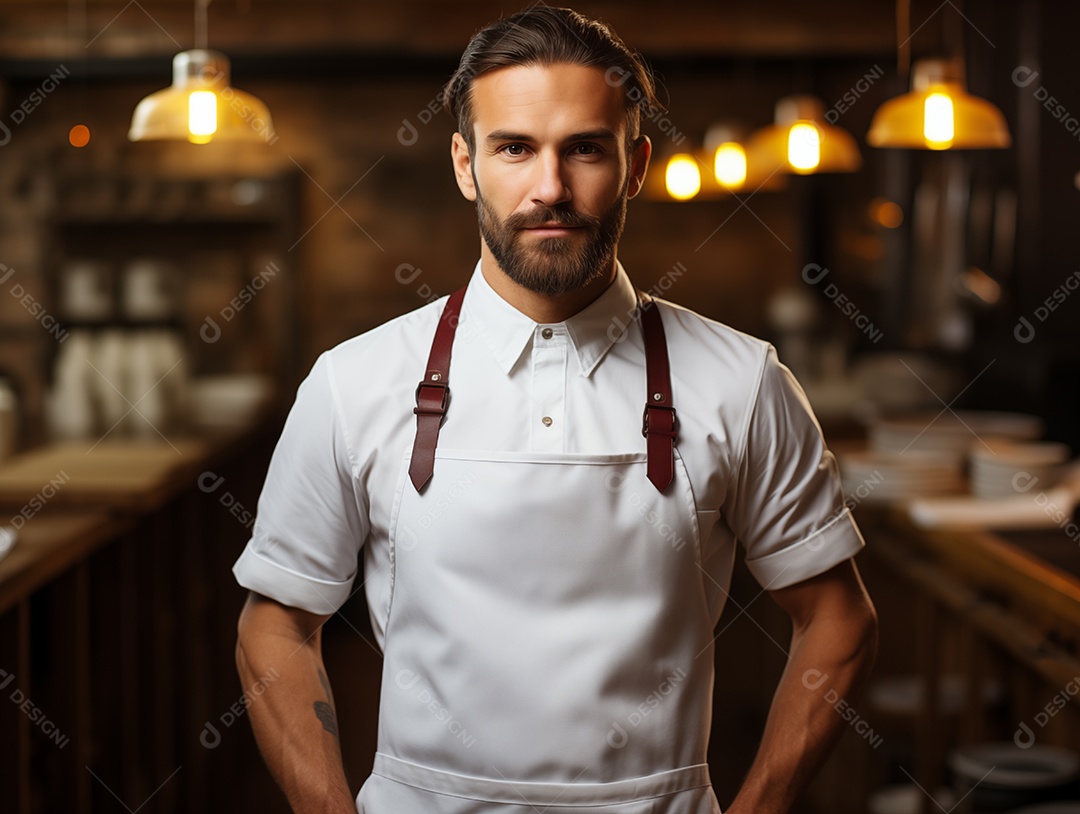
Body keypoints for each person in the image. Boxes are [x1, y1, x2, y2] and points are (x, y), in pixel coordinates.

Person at [233, 6, 878, 813]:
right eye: (515, 149)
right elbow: (276, 625)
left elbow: (838, 621)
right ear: (466, 165)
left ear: (635, 165)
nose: (550, 188)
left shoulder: (742, 381)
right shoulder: (352, 382)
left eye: (585, 149)